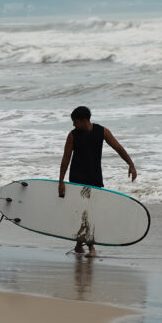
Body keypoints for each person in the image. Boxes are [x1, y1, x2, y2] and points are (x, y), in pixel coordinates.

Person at [58, 105, 137, 256]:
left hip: (94, 177)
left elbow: (118, 148)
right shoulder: (73, 135)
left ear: (83, 120)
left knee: (89, 212)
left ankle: (79, 245)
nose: (73, 124)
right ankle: (90, 247)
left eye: (75, 121)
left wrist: (131, 164)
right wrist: (61, 182)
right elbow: (65, 158)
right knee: (85, 212)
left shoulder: (102, 131)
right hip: (77, 179)